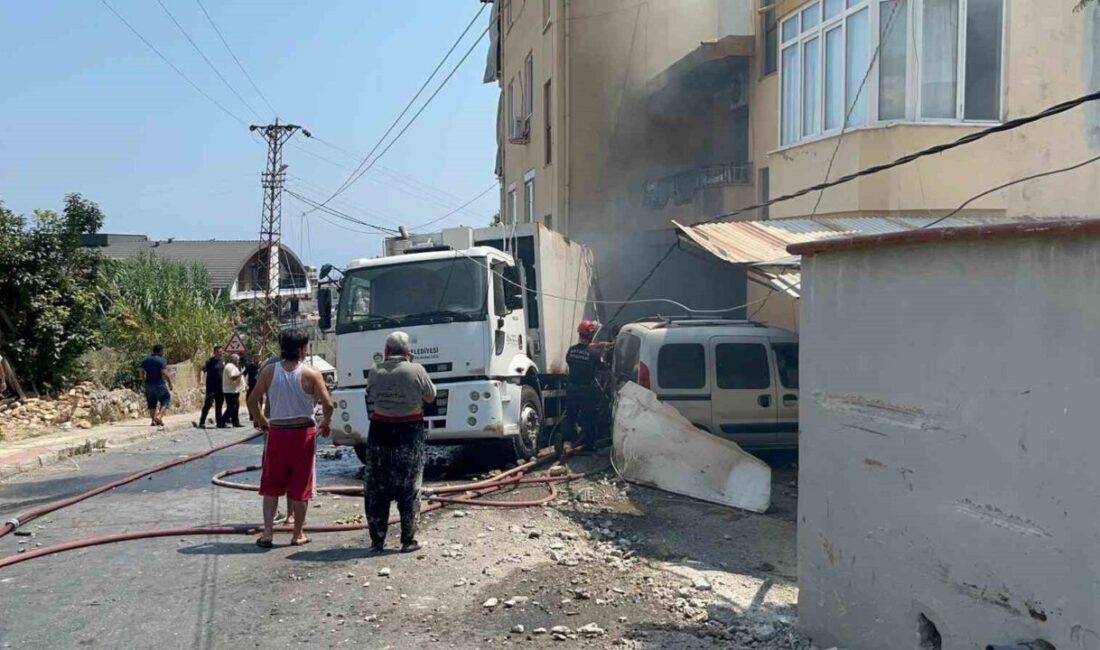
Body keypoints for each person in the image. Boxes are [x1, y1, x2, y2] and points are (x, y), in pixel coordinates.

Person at [248, 329, 334, 548]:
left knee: (271, 485)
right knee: (301, 486)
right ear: (303, 349)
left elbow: (252, 400)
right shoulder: (311, 374)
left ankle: (268, 533)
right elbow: (329, 404)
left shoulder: (269, 371)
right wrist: (325, 423)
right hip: (302, 434)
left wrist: (261, 421)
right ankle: (297, 534)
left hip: (277, 433)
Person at [364, 331, 436, 554]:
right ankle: (408, 540)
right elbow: (430, 396)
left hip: (379, 430)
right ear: (407, 352)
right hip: (409, 430)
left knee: (377, 486)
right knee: (410, 485)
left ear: (386, 351)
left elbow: (371, 396)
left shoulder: (375, 371)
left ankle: (377, 541)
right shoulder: (416, 370)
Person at [555, 320, 607, 455]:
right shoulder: (594, 354)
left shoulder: (571, 350)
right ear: (591, 335)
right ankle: (588, 445)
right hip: (586, 390)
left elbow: (575, 356)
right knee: (589, 416)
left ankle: (566, 441)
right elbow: (602, 367)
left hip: (572, 388)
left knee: (570, 415)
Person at [139, 344, 173, 427]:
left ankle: (153, 421)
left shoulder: (145, 360)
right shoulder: (161, 360)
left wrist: (143, 380)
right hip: (159, 384)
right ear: (161, 351)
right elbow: (164, 372)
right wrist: (170, 383)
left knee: (151, 403)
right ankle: (159, 416)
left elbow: (141, 371)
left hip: (148, 384)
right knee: (166, 400)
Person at [197, 346, 224, 429]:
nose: (221, 353)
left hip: (220, 387)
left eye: (221, 352)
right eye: (219, 351)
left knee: (219, 404)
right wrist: (201, 380)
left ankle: (219, 422)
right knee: (208, 403)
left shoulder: (223, 361)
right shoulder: (210, 361)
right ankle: (202, 421)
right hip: (211, 387)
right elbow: (202, 370)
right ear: (215, 352)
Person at [221, 353, 246, 428]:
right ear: (234, 360)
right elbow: (232, 377)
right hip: (230, 391)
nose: (238, 361)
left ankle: (236, 422)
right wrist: (242, 373)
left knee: (236, 407)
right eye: (237, 359)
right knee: (231, 407)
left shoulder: (234, 367)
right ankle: (221, 422)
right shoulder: (230, 366)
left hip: (234, 390)